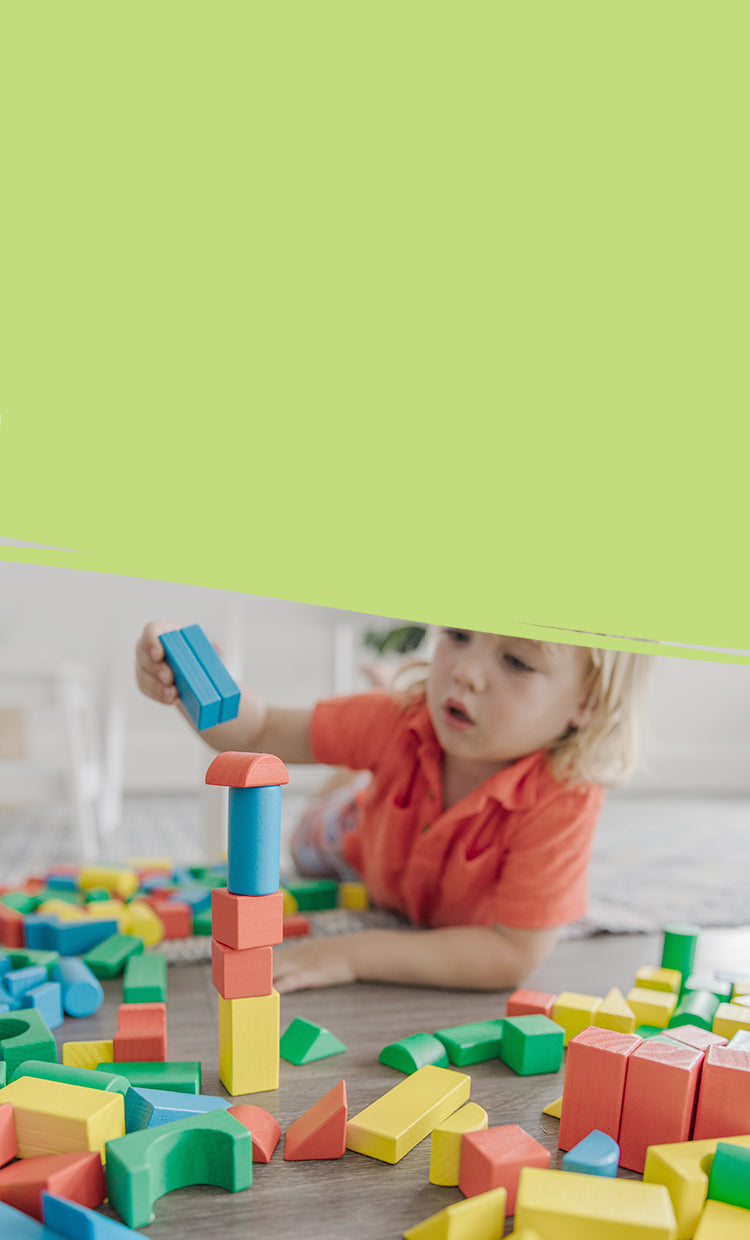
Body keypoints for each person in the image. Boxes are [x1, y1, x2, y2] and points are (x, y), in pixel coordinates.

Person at [135, 622, 651, 994]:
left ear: (588, 702)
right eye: (457, 634)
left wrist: (349, 955)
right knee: (303, 844)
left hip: (418, 879)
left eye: (517, 661)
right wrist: (184, 682)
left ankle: (357, 764)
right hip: (360, 842)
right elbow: (260, 729)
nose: (466, 673)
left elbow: (512, 955)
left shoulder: (566, 795)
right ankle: (350, 776)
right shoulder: (399, 719)